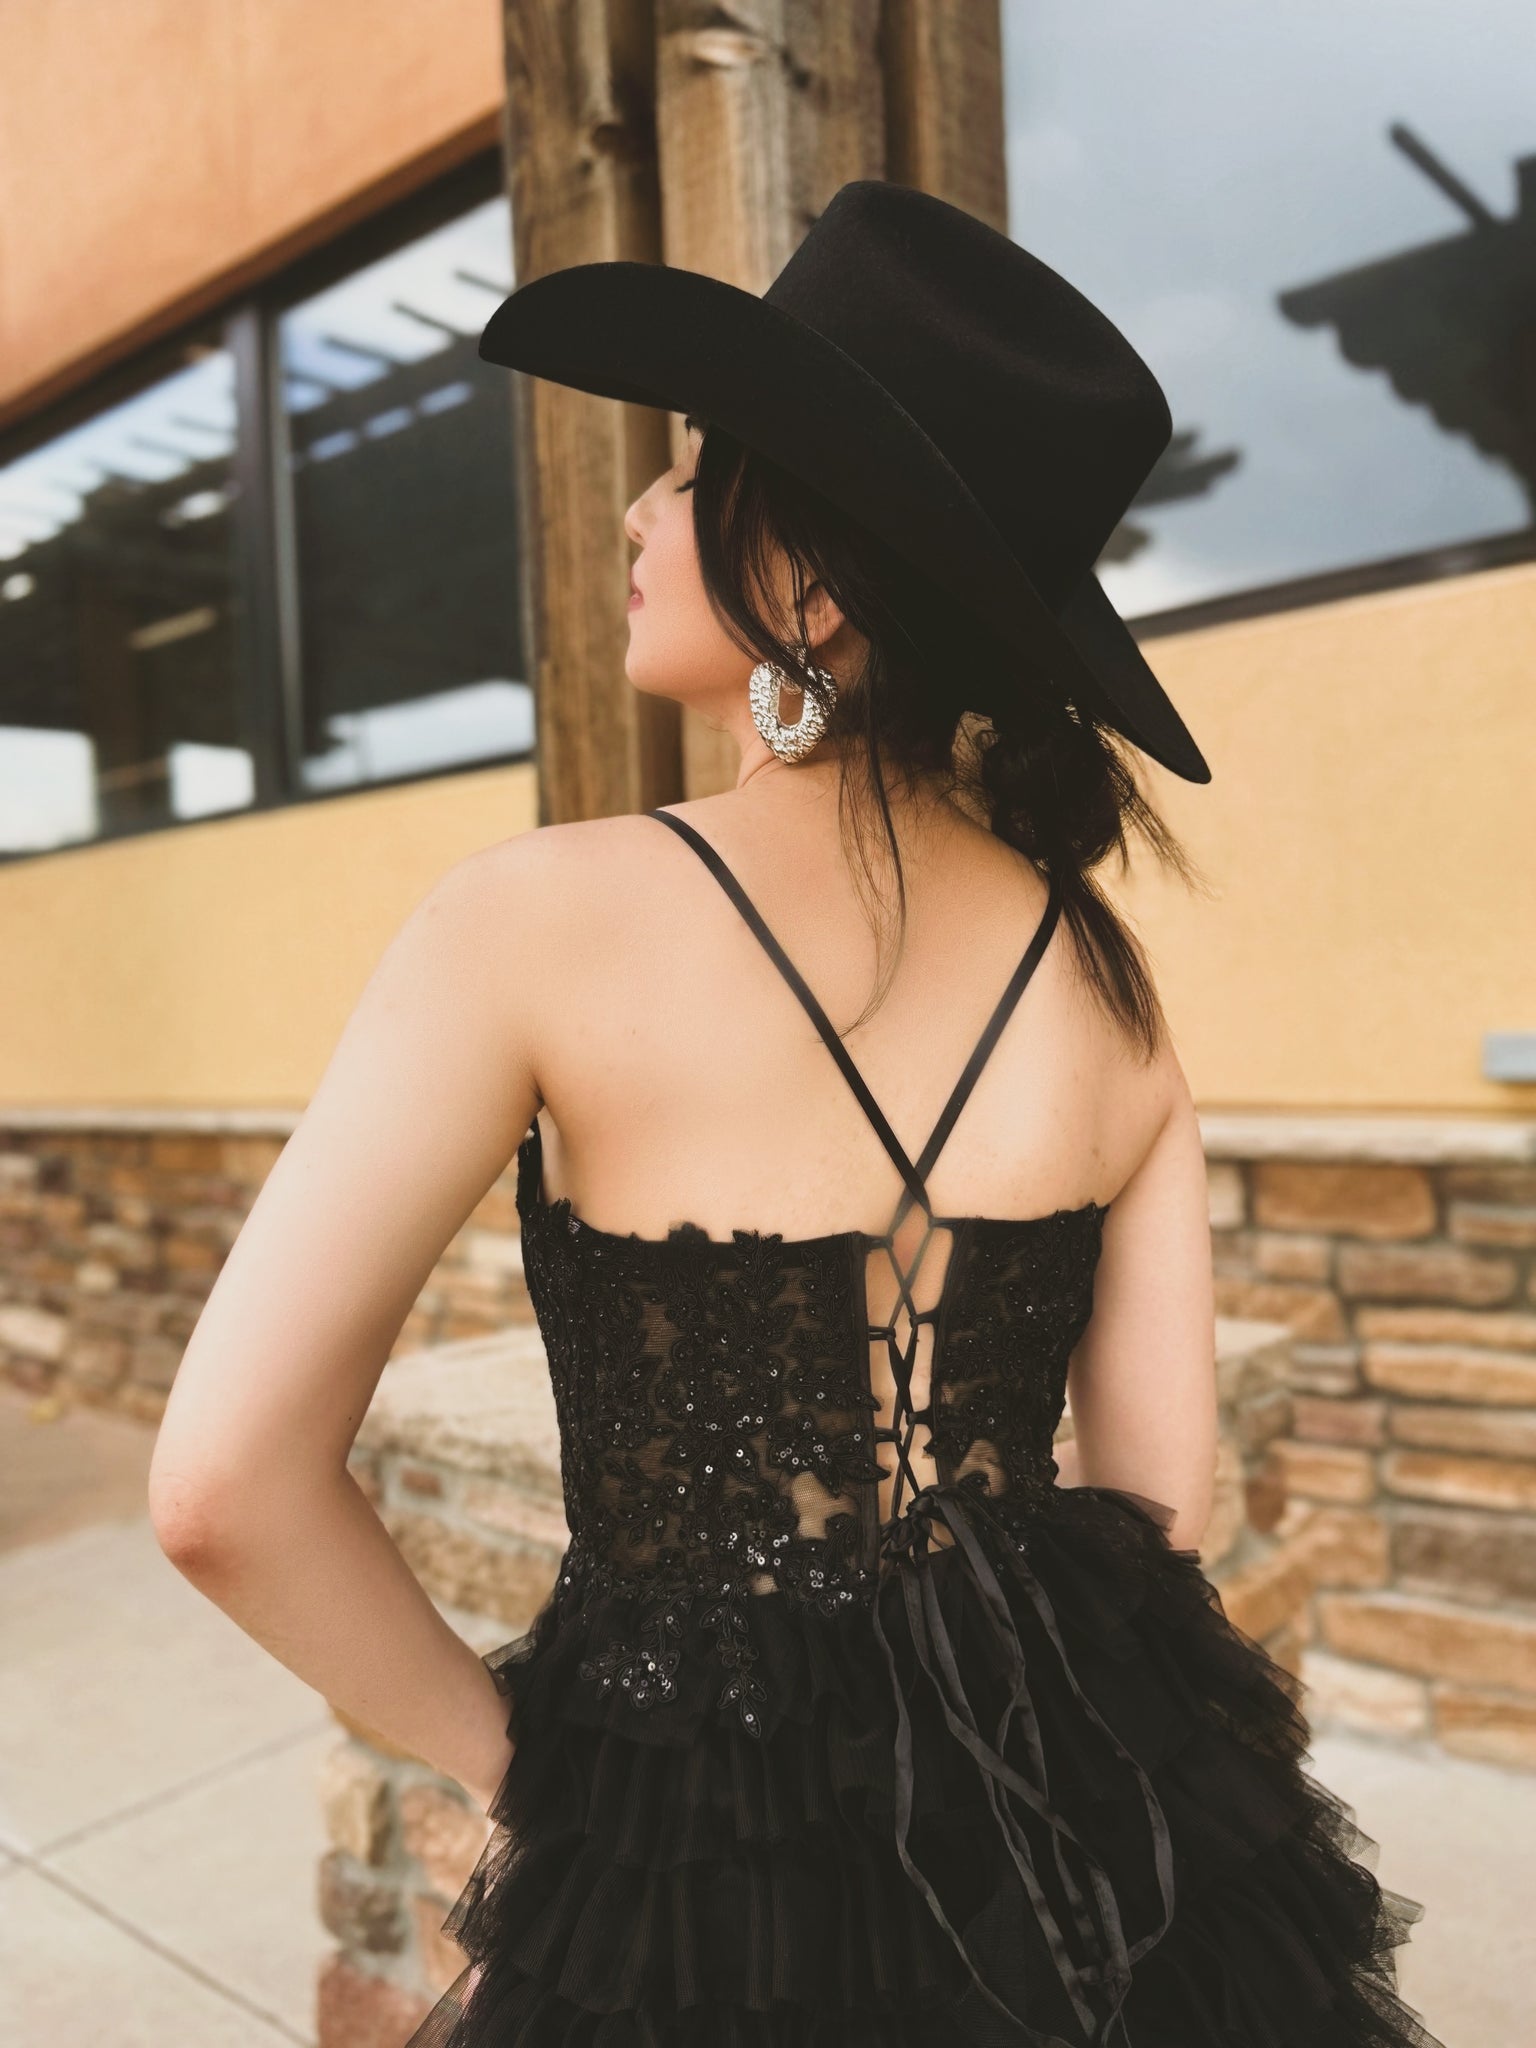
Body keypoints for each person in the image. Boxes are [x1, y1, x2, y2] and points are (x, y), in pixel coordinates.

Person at [149, 182, 1444, 2046]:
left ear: (816, 589)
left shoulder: (528, 921)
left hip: (690, 1892)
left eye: (693, 472)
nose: (638, 506)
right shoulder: (1110, 987)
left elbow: (221, 1495)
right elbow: (1159, 1513)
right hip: (1072, 1851)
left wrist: (534, 1782)